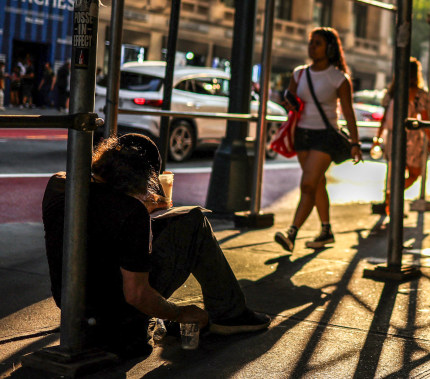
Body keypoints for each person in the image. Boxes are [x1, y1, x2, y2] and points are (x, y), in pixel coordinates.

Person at [42, 134, 271, 359]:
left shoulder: (58, 184)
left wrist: (142, 211)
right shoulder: (131, 213)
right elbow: (136, 294)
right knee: (193, 221)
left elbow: (99, 223)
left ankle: (220, 312)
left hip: (73, 304)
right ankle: (229, 313)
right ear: (139, 180)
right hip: (116, 313)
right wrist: (181, 313)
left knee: (168, 226)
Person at [273, 27, 362, 252]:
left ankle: (291, 232)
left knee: (308, 184)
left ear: (330, 48)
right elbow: (291, 104)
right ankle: (326, 231)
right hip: (302, 134)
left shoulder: (339, 78)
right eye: (311, 42)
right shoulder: (299, 73)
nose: (312, 47)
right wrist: (288, 101)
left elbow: (349, 113)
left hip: (326, 136)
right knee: (317, 183)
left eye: (318, 43)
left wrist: (355, 143)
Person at [373, 57, 430, 213]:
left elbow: (384, 118)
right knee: (415, 173)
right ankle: (392, 197)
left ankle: (391, 200)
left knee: (395, 172)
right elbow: (425, 120)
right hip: (412, 137)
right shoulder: (419, 94)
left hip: (393, 136)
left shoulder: (393, 92)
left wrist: (378, 139)